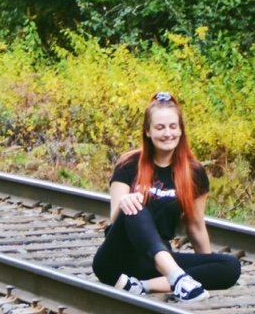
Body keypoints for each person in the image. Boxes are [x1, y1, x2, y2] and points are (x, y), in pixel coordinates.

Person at [93, 92, 242, 302]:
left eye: (173, 126)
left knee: (229, 266)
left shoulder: (193, 173)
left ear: (181, 130)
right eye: (160, 127)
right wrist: (126, 202)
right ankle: (178, 278)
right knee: (135, 205)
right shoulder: (128, 164)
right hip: (117, 263)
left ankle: (143, 286)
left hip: (158, 264)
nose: (167, 133)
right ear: (147, 131)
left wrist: (207, 263)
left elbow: (196, 226)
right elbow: (116, 219)